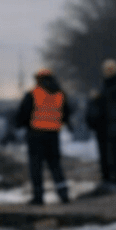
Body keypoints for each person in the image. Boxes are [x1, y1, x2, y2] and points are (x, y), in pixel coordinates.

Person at [14, 68, 72, 205]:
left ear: (38, 80)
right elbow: (67, 113)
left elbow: (22, 114)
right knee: (55, 165)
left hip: (36, 135)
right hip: (53, 135)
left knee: (36, 166)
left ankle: (38, 197)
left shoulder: (33, 94)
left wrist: (21, 125)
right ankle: (63, 194)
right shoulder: (60, 94)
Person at [86, 59, 116, 189]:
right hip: (106, 124)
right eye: (106, 69)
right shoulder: (105, 84)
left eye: (111, 69)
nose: (108, 71)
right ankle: (111, 178)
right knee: (108, 153)